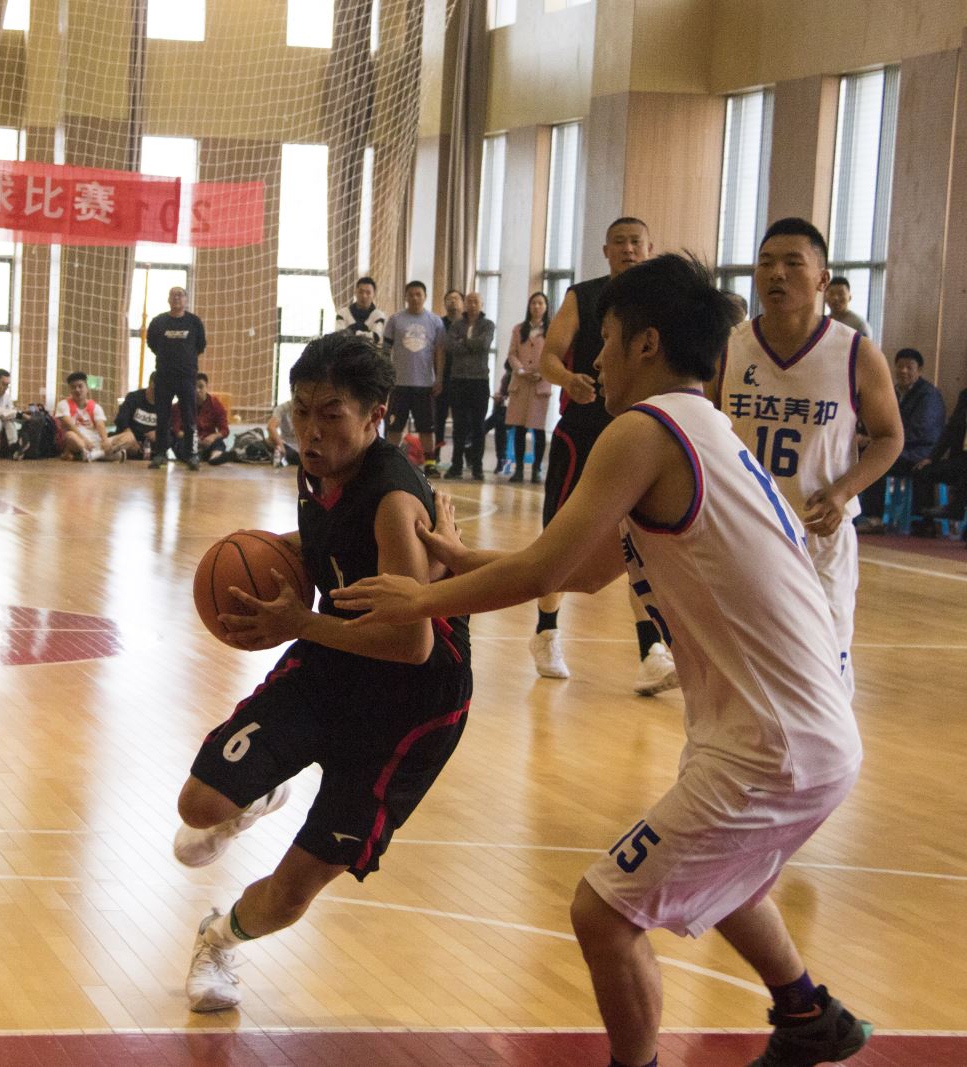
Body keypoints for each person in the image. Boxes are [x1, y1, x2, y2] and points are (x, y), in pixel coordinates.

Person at [334, 254, 872, 1067]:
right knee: (726, 875)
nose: (598, 359)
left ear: (647, 343)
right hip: (798, 732)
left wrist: (419, 599)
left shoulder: (644, 431)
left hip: (775, 745)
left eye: (609, 339)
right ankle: (807, 1014)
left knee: (603, 912)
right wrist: (460, 556)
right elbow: (584, 571)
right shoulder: (703, 430)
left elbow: (546, 572)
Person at [172, 331, 471, 1014]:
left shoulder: (393, 499)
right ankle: (262, 790)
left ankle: (218, 937)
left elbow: (412, 642)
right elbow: (333, 542)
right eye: (301, 410)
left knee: (289, 894)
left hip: (410, 705)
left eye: (330, 414)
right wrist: (266, 552)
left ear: (374, 416)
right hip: (337, 658)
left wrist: (299, 623)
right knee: (200, 805)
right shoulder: (321, 467)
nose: (310, 430)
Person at [716, 217, 901, 690]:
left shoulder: (857, 353)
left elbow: (889, 437)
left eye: (792, 263)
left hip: (819, 533)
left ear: (822, 279)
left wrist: (842, 491)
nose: (776, 273)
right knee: (746, 675)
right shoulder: (728, 348)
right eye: (765, 263)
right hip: (744, 532)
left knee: (824, 673)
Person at [533, 217, 675, 694]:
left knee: (643, 539)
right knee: (561, 535)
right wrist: (567, 379)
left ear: (650, 248)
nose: (628, 249)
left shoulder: (662, 303)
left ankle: (651, 651)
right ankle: (546, 631)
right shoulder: (583, 296)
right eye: (620, 242)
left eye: (636, 242)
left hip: (642, 430)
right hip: (583, 430)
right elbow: (549, 356)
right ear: (606, 250)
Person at [854, 348, 945, 530]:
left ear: (919, 370)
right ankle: (852, 512)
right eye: (900, 366)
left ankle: (874, 518)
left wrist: (875, 441)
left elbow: (920, 431)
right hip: (896, 447)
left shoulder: (929, 395)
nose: (903, 371)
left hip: (919, 451)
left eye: (909, 367)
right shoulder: (892, 392)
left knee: (877, 459)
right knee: (857, 455)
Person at [382, 281, 445, 480]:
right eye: (411, 294)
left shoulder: (435, 321)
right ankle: (389, 463)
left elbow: (439, 352)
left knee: (427, 428)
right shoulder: (395, 320)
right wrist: (385, 376)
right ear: (406, 296)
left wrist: (439, 378)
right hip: (399, 384)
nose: (415, 298)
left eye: (418, 294)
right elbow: (385, 351)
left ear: (425, 296)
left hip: (425, 385)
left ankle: (430, 464)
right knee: (394, 427)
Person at [147, 286, 206, 470]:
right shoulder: (158, 322)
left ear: (186, 299)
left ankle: (192, 455)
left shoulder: (194, 322)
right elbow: (152, 344)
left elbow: (200, 345)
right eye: (173, 295)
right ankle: (160, 454)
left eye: (180, 295)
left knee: (189, 417)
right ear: (168, 299)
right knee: (162, 417)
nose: (177, 298)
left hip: (186, 377)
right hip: (164, 377)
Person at [444, 291, 495, 480]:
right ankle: (456, 465)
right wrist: (470, 344)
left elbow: (484, 344)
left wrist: (464, 341)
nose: (472, 304)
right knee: (459, 425)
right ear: (465, 304)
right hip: (458, 380)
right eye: (469, 301)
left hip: (479, 380)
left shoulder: (488, 325)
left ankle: (477, 467)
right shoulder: (456, 324)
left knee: (478, 425)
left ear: (481, 304)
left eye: (476, 301)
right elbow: (451, 346)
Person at [506, 292, 552, 484]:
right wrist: (521, 370)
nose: (537, 306)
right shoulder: (519, 329)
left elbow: (554, 355)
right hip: (521, 383)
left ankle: (536, 469)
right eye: (533, 303)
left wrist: (543, 372)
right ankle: (518, 469)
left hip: (540, 384)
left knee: (538, 429)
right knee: (519, 428)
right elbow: (512, 354)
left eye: (540, 303)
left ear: (546, 307)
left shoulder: (551, 330)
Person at [912, 383, 967, 524]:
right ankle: (925, 520)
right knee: (923, 470)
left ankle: (956, 508)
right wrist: (932, 457)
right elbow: (950, 430)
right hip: (959, 459)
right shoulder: (965, 395)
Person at [429, 288, 464, 468]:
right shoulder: (439, 323)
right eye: (449, 299)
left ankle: (458, 461)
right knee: (439, 420)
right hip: (441, 377)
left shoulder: (467, 324)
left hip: (463, 379)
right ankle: (435, 457)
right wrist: (438, 378)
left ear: (462, 303)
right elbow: (436, 350)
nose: (452, 302)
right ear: (444, 303)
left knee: (461, 421)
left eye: (456, 299)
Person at [54, 371, 124, 461]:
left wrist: (105, 441)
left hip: (95, 441)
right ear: (70, 390)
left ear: (87, 388)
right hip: (77, 440)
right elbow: (69, 425)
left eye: (80, 386)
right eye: (73, 387)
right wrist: (84, 440)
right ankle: (99, 454)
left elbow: (100, 425)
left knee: (126, 438)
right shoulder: (63, 404)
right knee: (70, 435)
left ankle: (89, 455)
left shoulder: (96, 406)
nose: (77, 390)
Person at [172, 372, 232, 466]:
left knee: (218, 443)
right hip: (188, 440)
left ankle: (215, 457)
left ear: (207, 387)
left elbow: (224, 430)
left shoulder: (215, 404)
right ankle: (193, 457)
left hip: (207, 441)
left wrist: (213, 437)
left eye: (201, 387)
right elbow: (176, 431)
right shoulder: (179, 406)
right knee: (181, 444)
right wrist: (194, 439)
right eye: (194, 387)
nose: (197, 390)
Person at [113, 373, 162, 459]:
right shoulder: (133, 398)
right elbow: (121, 420)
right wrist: (131, 439)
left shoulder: (164, 405)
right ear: (152, 384)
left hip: (151, 449)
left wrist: (158, 433)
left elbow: (169, 429)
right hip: (130, 444)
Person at [333, 275, 388, 346]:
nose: (364, 296)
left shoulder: (378, 315)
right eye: (360, 292)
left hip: (369, 352)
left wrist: (351, 333)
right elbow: (339, 336)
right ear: (355, 292)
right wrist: (366, 335)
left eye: (368, 293)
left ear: (374, 294)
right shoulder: (342, 313)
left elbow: (376, 337)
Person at [266, 399, 299, 468]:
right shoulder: (282, 408)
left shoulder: (310, 408)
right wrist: (281, 447)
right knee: (269, 439)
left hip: (303, 448)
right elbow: (271, 427)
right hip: (287, 446)